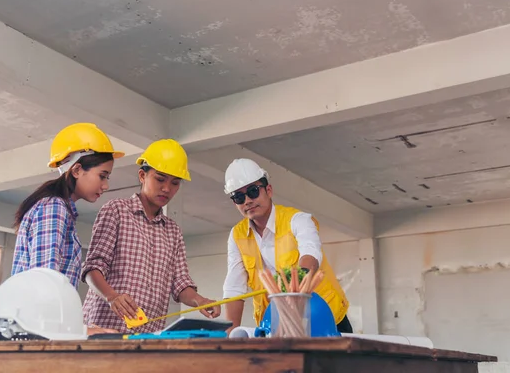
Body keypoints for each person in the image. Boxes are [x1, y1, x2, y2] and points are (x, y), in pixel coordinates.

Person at [81, 139, 221, 333]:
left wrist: (201, 301)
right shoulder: (116, 211)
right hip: (104, 331)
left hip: (147, 337)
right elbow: (92, 268)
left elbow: (180, 284)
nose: (167, 188)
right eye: (160, 179)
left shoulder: (173, 231)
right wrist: (112, 297)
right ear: (142, 175)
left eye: (175, 183)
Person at [221, 158, 353, 334]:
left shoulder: (298, 220)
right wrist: (230, 335)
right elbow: (234, 287)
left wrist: (293, 287)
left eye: (253, 192)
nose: (247, 201)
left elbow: (311, 254)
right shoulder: (237, 235)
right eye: (238, 197)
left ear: (269, 190)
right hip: (277, 325)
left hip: (325, 319)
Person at [11, 122, 124, 290]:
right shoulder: (54, 208)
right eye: (102, 176)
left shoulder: (57, 208)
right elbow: (44, 279)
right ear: (77, 170)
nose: (106, 185)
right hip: (42, 314)